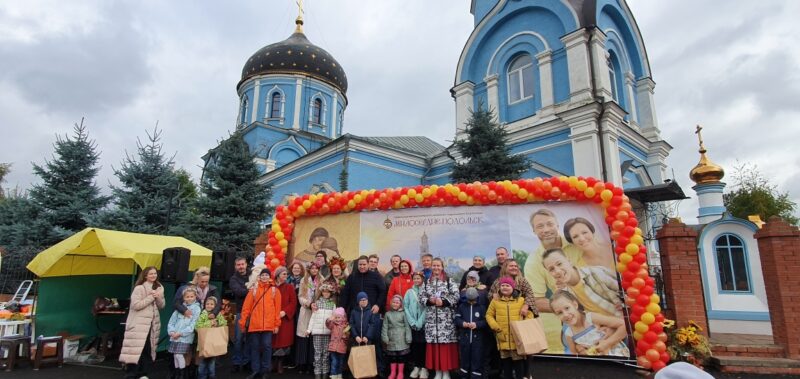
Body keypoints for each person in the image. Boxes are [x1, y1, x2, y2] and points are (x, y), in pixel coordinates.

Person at [522, 209, 584, 313]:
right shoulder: (533, 262)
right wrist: (570, 307)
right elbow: (536, 300)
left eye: (550, 224)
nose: (546, 230)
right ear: (534, 230)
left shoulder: (578, 241)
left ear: (557, 225)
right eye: (540, 226)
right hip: (573, 314)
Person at [541, 249, 622, 317]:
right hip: (601, 328)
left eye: (559, 264)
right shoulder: (566, 293)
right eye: (551, 269)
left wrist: (624, 301)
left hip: (621, 319)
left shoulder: (595, 273)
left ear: (569, 261)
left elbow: (625, 289)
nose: (557, 271)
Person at [549, 290, 629, 357]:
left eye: (567, 308)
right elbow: (574, 355)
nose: (565, 314)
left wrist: (607, 343)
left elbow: (624, 325)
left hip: (618, 356)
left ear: (575, 305)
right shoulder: (569, 334)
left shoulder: (591, 318)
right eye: (559, 313)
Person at [120, 266, 165, 379]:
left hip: (152, 324)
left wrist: (158, 297)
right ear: (145, 275)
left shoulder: (159, 288)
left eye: (155, 273)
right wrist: (151, 297)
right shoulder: (139, 288)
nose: (153, 276)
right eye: (151, 274)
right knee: (134, 350)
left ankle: (143, 373)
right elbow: (136, 305)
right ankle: (131, 374)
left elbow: (162, 305)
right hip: (138, 324)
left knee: (147, 350)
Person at [419, 257, 460, 379]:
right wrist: (429, 301)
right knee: (435, 347)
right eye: (434, 265)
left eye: (438, 265)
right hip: (432, 321)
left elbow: (456, 296)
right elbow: (421, 297)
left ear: (442, 267)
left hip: (446, 321)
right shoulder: (427, 282)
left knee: (445, 347)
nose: (436, 268)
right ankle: (437, 371)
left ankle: (446, 372)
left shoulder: (449, 280)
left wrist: (444, 302)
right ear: (431, 267)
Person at [239, 268, 282, 379]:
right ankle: (255, 370)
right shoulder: (253, 290)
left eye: (266, 275)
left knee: (267, 347)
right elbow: (246, 309)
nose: (264, 277)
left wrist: (277, 324)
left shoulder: (274, 291)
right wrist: (243, 323)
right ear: (260, 276)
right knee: (255, 347)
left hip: (268, 325)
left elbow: (277, 310)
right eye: (262, 275)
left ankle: (265, 370)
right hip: (255, 324)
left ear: (269, 277)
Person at [486, 277, 532, 379]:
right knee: (506, 365)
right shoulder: (495, 301)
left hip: (517, 339)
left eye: (507, 285)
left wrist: (523, 325)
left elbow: (529, 314)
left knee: (519, 365)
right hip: (503, 337)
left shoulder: (520, 300)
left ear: (513, 287)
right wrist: (496, 327)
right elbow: (489, 315)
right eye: (502, 285)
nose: (504, 287)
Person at [168, 287, 202, 379]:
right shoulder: (180, 308)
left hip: (185, 337)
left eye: (192, 296)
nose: (190, 298)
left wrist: (180, 333)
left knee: (179, 355)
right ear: (184, 297)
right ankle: (177, 374)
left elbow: (193, 325)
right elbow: (171, 322)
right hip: (174, 336)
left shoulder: (197, 309)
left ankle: (182, 375)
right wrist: (171, 332)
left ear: (195, 297)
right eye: (187, 297)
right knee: (175, 355)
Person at [296, 262, 323, 374]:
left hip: (316, 311)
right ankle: (302, 364)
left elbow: (324, 294)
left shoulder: (322, 280)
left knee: (313, 338)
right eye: (312, 268)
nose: (314, 270)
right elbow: (300, 296)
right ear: (309, 269)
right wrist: (308, 303)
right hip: (306, 310)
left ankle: (311, 364)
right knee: (303, 337)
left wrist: (316, 304)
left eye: (316, 268)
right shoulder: (304, 280)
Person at [455, 288, 487, 379]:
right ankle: (464, 375)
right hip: (465, 337)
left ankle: (475, 376)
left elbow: (485, 321)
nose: (471, 301)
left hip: (478, 339)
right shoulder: (462, 307)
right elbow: (457, 319)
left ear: (477, 297)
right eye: (469, 299)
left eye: (473, 299)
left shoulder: (481, 307)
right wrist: (462, 323)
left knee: (477, 358)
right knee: (464, 358)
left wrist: (477, 324)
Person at [306, 283, 336, 379]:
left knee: (326, 354)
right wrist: (309, 330)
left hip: (328, 333)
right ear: (321, 292)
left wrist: (334, 331)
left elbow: (335, 319)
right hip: (317, 333)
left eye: (328, 292)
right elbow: (313, 317)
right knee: (318, 354)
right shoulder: (317, 303)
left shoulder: (332, 304)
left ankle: (325, 373)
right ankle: (318, 373)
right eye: (324, 292)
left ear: (330, 293)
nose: (326, 294)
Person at [272, 266, 298, 373]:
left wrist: (285, 312)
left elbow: (293, 302)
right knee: (273, 340)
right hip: (273, 318)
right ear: (278, 275)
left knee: (283, 341)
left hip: (285, 319)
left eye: (286, 274)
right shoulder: (272, 287)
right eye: (283, 274)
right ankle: (273, 362)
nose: (286, 276)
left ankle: (280, 363)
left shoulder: (289, 287)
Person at [404, 272, 429, 379]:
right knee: (415, 346)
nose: (417, 280)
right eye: (415, 278)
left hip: (423, 324)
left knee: (423, 346)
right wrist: (412, 321)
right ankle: (416, 366)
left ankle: (424, 368)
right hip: (413, 324)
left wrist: (420, 322)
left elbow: (427, 307)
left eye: (419, 278)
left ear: (422, 279)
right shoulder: (409, 292)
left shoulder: (427, 291)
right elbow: (405, 306)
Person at [195, 296, 228, 379]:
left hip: (214, 343)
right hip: (205, 342)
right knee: (203, 361)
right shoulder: (203, 314)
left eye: (212, 304)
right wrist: (209, 323)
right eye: (207, 304)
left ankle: (211, 375)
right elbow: (197, 326)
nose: (209, 306)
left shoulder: (218, 314)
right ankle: (202, 376)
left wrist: (217, 322)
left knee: (212, 360)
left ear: (215, 305)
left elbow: (224, 323)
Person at [229, 257, 251, 372]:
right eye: (238, 265)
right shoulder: (233, 279)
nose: (241, 266)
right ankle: (237, 362)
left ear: (246, 264)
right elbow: (239, 292)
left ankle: (246, 361)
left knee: (249, 339)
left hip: (252, 312)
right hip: (240, 311)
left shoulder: (253, 275)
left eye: (242, 264)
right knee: (238, 338)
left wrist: (247, 289)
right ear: (235, 266)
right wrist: (251, 289)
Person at [383, 295, 412, 379]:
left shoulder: (403, 314)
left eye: (397, 302)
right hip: (391, 338)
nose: (395, 304)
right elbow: (385, 327)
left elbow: (407, 326)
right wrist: (385, 337)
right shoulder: (387, 314)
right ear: (391, 303)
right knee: (392, 357)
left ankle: (400, 373)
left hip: (401, 338)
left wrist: (408, 337)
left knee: (401, 357)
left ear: (400, 304)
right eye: (394, 302)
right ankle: (393, 372)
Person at [326, 307, 349, 379]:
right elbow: (327, 324)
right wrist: (329, 319)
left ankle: (339, 375)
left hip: (342, 348)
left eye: (339, 317)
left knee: (340, 363)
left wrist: (345, 336)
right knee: (334, 362)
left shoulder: (346, 326)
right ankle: (333, 376)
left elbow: (348, 337)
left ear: (342, 317)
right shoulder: (333, 325)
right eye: (336, 317)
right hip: (333, 348)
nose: (337, 319)